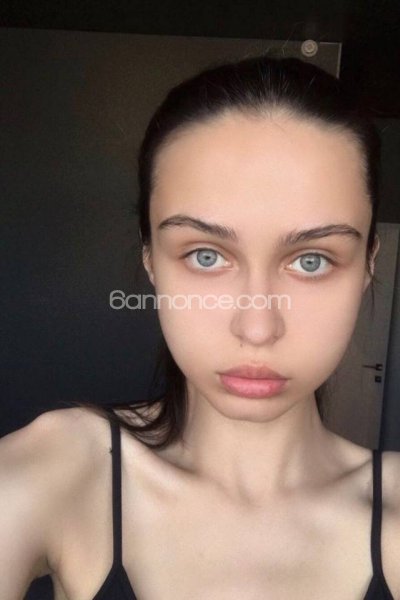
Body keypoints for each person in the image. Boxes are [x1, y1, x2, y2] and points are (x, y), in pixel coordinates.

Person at [0, 54, 399, 600]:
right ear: (150, 258)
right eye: (206, 256)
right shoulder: (65, 469)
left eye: (312, 260)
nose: (257, 328)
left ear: (369, 262)